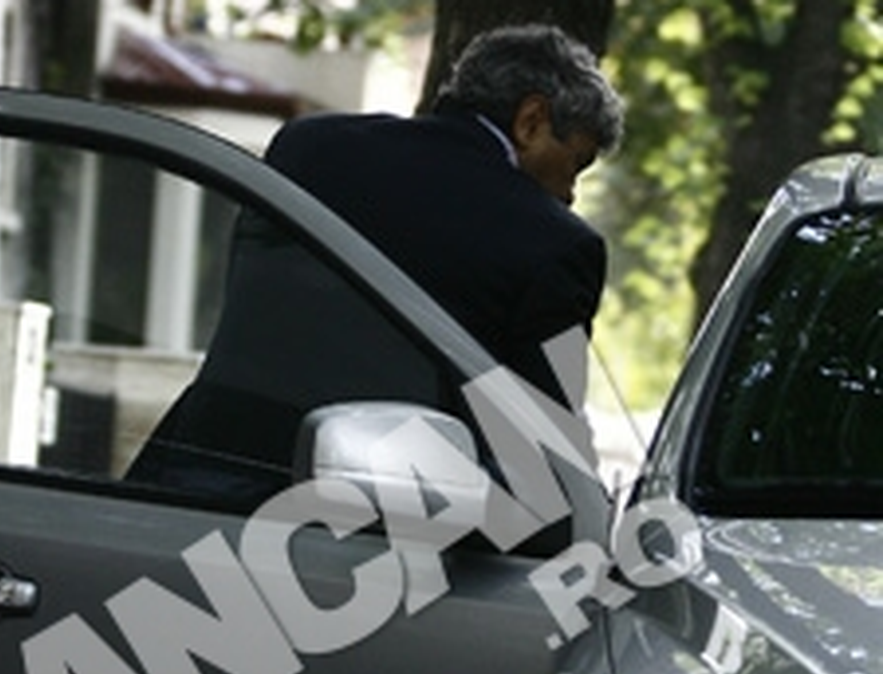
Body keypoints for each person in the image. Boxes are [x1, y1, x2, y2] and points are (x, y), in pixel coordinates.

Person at [127, 24, 624, 507]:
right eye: (575, 165)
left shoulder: (308, 146)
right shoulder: (554, 243)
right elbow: (545, 458)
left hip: (185, 479)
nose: (569, 194)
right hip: (356, 525)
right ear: (531, 120)